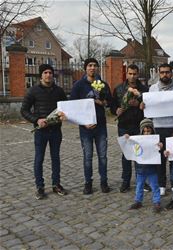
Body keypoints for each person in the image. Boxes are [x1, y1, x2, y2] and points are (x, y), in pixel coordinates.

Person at [20, 64, 67, 199]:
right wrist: (36, 120)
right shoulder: (33, 91)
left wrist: (64, 115)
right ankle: (40, 187)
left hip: (56, 131)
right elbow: (24, 110)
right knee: (39, 159)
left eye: (50, 73)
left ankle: (56, 184)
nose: (48, 75)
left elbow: (65, 107)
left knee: (56, 158)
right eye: (45, 72)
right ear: (41, 75)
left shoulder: (59, 91)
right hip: (41, 131)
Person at [70, 58, 112, 195]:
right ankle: (88, 183)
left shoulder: (103, 84)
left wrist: (102, 102)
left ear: (97, 68)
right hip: (85, 127)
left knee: (103, 156)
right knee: (88, 157)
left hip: (100, 126)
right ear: (85, 68)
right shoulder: (78, 85)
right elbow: (73, 107)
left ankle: (104, 182)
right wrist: (83, 123)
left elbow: (110, 103)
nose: (92, 68)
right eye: (90, 66)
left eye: (95, 65)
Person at [146, 63, 173, 196]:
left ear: (172, 73)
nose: (165, 74)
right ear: (159, 73)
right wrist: (144, 106)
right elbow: (149, 107)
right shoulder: (153, 89)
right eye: (162, 72)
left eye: (167, 72)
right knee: (160, 158)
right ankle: (161, 184)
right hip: (158, 126)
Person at [111, 64, 149, 193]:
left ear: (138, 74)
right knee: (126, 155)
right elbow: (112, 106)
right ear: (126, 74)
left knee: (139, 154)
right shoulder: (118, 89)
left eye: (135, 74)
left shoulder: (144, 89)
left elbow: (149, 106)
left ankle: (141, 181)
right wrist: (116, 110)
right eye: (130, 74)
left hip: (138, 125)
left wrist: (139, 104)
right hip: (124, 126)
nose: (132, 76)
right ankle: (126, 181)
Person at [128, 118, 162, 213]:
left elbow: (160, 151)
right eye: (145, 131)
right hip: (140, 169)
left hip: (152, 168)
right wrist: (128, 138)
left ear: (152, 130)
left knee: (155, 185)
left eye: (149, 131)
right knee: (139, 185)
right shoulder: (138, 141)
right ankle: (138, 201)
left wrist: (160, 146)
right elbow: (131, 146)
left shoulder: (155, 140)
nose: (147, 133)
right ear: (141, 131)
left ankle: (157, 201)